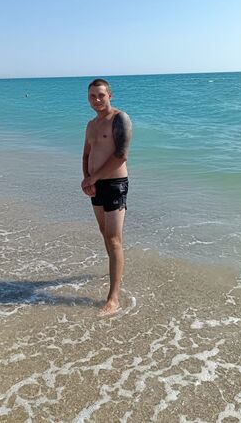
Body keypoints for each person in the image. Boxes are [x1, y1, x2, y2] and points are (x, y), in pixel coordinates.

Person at [81, 79, 132, 316]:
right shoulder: (91, 125)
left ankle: (114, 299)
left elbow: (121, 156)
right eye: (92, 96)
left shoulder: (120, 119)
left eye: (101, 95)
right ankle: (114, 268)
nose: (97, 100)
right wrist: (87, 179)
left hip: (114, 185)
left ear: (110, 95)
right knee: (104, 232)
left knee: (113, 239)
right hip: (95, 184)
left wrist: (93, 178)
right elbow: (86, 155)